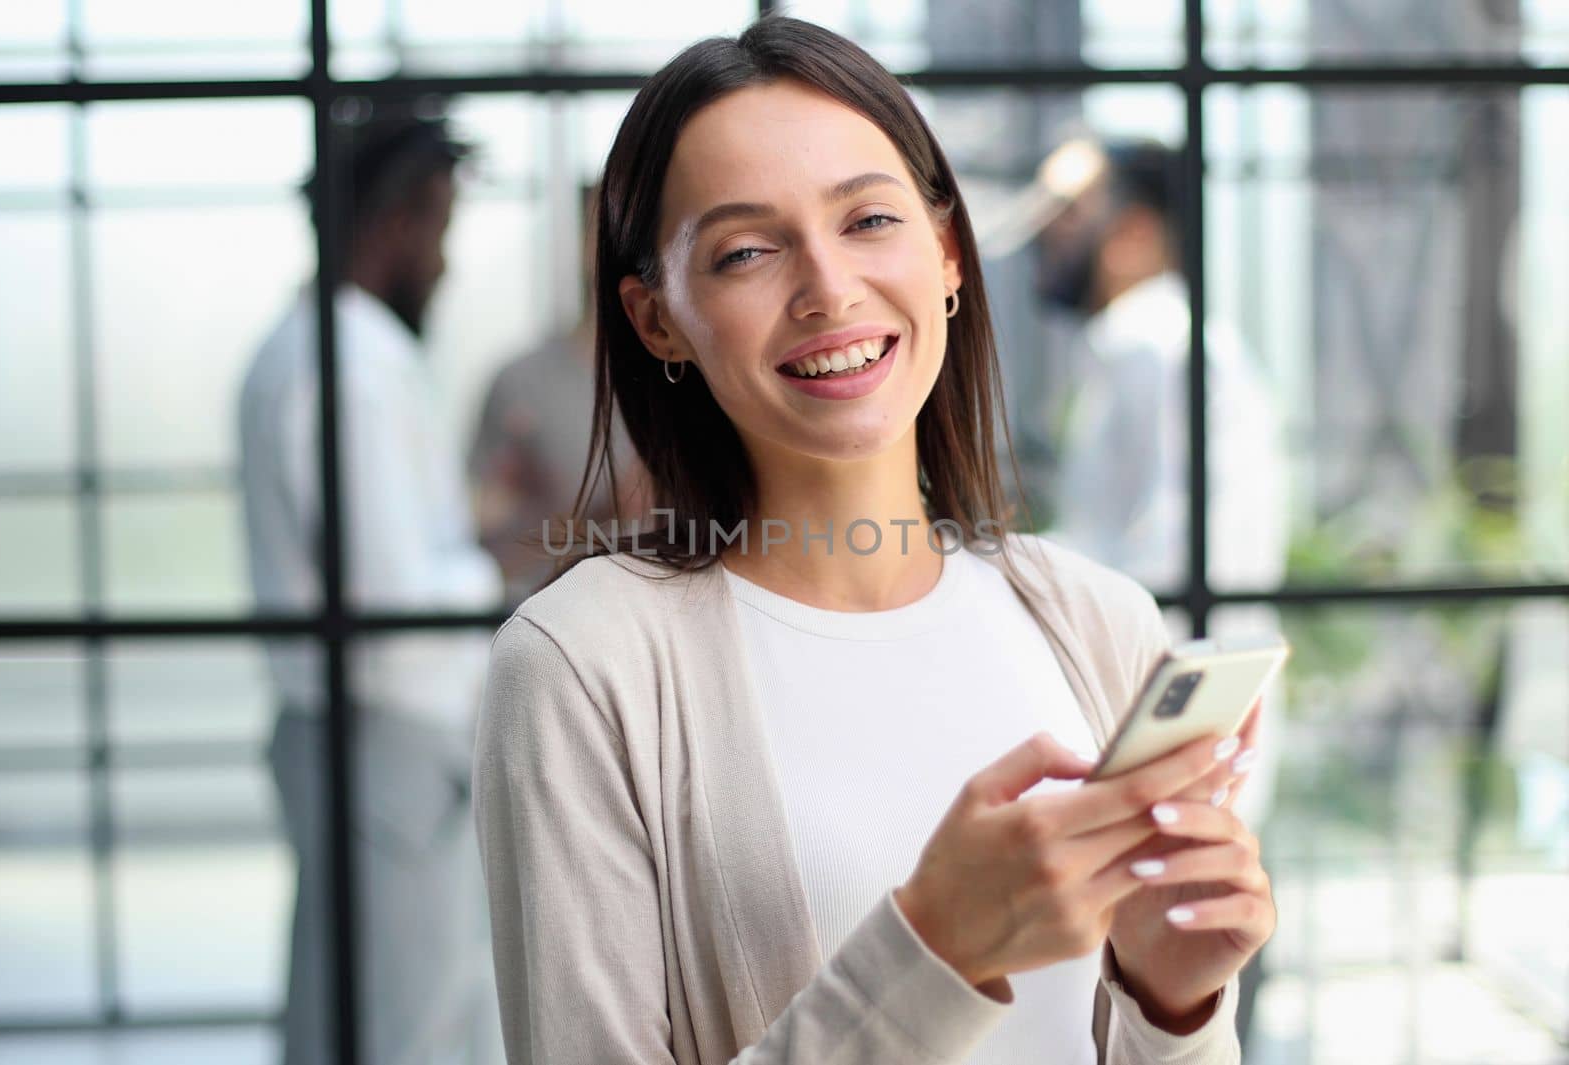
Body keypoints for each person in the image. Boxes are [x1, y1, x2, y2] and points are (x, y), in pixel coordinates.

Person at [473, 17, 1273, 1065]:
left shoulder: (1098, 620)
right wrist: (932, 950)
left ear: (945, 251)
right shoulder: (582, 666)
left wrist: (1170, 1009)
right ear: (655, 316)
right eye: (747, 250)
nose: (828, 289)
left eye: (867, 220)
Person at [238, 104, 505, 1065]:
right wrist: (501, 566)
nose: (445, 264)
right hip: (384, 744)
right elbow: (386, 602)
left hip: (366, 746)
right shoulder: (346, 364)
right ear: (396, 220)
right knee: (407, 1028)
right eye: (439, 230)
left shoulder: (315, 350)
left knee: (361, 1012)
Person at [1016, 133, 1291, 1041]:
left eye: (1069, 213)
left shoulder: (1159, 353)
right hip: (1162, 735)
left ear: (1132, 232)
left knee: (1168, 989)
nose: (1048, 234)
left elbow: (1168, 565)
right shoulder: (1140, 352)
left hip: (1158, 734)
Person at [468, 182, 650, 608]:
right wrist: (593, 522)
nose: (613, 250)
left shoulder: (696, 384)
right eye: (600, 232)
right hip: (547, 619)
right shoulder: (520, 383)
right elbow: (483, 550)